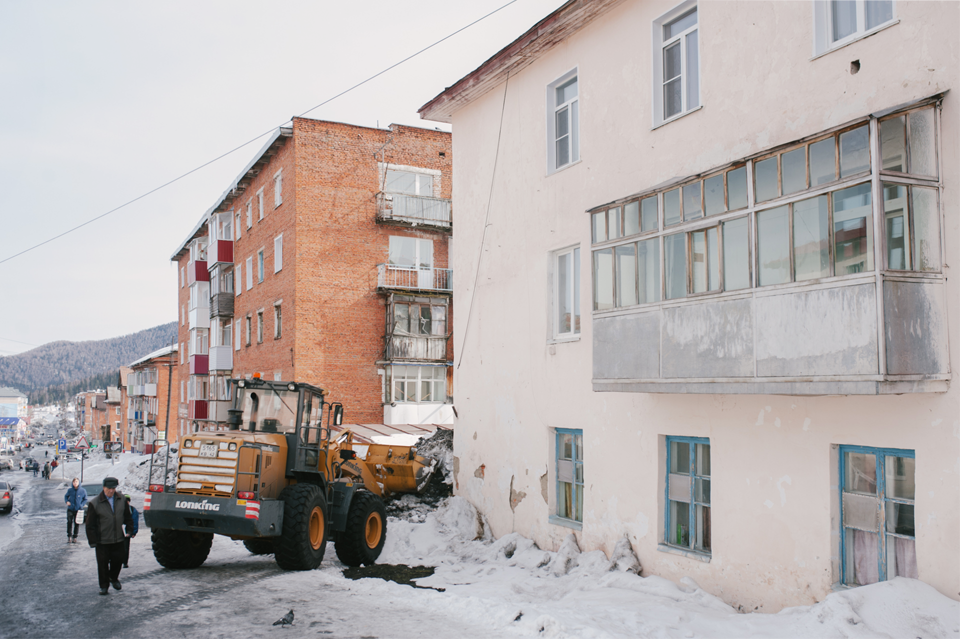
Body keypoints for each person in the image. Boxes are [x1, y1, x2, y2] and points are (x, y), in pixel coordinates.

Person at [85, 477, 133, 595]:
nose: (111, 491)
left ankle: (113, 577)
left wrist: (130, 530)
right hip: (102, 540)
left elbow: (128, 517)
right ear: (103, 488)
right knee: (102, 564)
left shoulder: (121, 500)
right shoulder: (95, 503)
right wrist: (93, 540)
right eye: (109, 488)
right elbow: (90, 524)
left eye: (113, 488)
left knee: (118, 561)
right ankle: (104, 586)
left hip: (118, 538)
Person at [64, 478, 88, 544]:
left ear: (79, 482)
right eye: (74, 482)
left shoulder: (82, 491)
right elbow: (66, 496)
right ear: (72, 483)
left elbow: (85, 499)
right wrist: (67, 501)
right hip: (70, 509)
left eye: (76, 482)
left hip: (78, 509)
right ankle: (69, 536)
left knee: (77, 523)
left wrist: (81, 505)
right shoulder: (70, 490)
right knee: (69, 522)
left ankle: (75, 537)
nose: (75, 483)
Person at [121, 495, 139, 568]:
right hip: (120, 531)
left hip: (126, 532)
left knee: (125, 547)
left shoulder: (132, 510)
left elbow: (134, 521)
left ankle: (125, 562)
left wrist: (133, 532)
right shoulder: (120, 508)